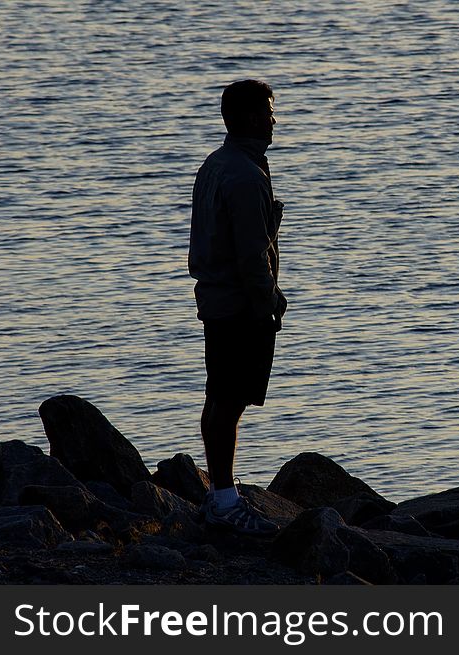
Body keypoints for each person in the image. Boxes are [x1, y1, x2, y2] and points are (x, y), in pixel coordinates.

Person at [188, 79, 287, 535]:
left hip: (217, 299)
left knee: (220, 398)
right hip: (239, 305)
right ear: (248, 118)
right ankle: (226, 503)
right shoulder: (245, 174)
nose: (274, 119)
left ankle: (220, 495)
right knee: (228, 402)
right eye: (268, 111)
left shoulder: (216, 164)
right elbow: (250, 255)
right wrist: (271, 301)